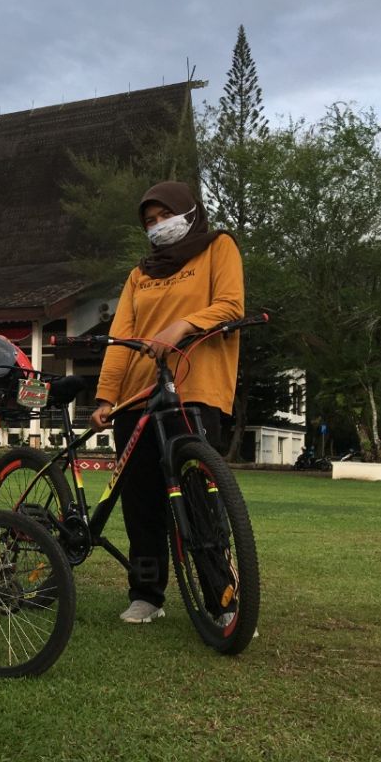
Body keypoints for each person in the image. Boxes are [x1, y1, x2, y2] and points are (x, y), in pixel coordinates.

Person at [90, 181, 244, 625]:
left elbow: (232, 306)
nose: (158, 226)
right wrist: (106, 396)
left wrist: (183, 326)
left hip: (194, 389)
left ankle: (222, 598)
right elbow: (121, 337)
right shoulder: (140, 274)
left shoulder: (218, 248)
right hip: (138, 397)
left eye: (164, 216)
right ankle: (146, 595)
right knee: (140, 503)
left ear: (188, 211)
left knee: (200, 499)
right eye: (150, 221)